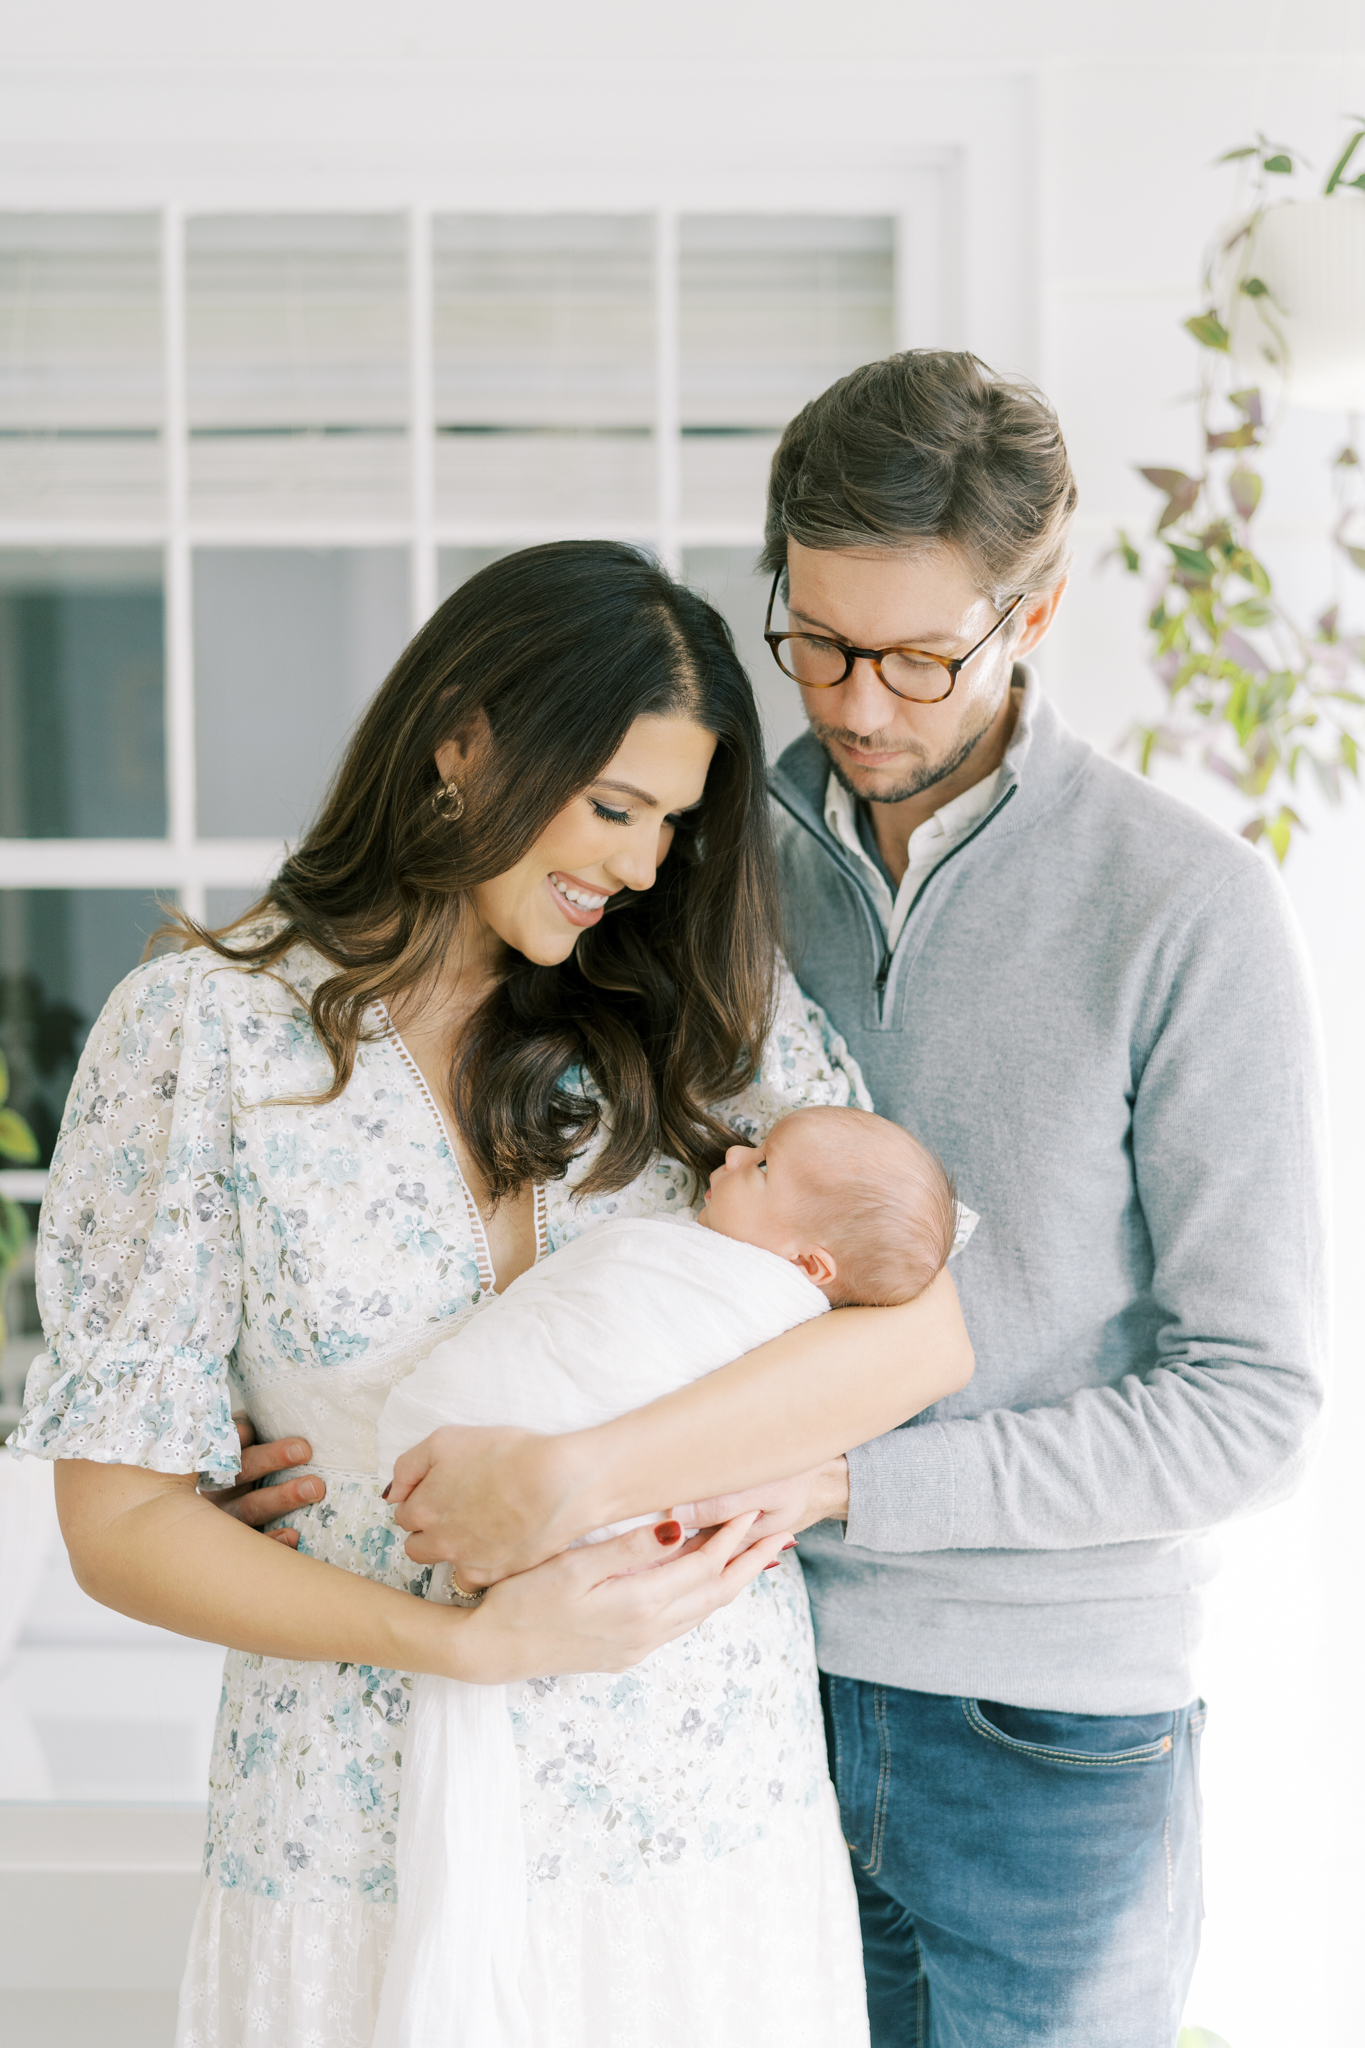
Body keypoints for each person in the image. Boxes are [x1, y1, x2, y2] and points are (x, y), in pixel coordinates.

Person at [369, 356, 1327, 2048]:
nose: (858, 702)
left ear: (1035, 612)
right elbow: (536, 1173)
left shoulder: (1187, 906)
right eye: (814, 639)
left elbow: (1251, 1406)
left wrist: (842, 1479)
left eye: (918, 657)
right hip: (716, 1685)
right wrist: (343, 1430)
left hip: (1044, 1727)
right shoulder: (704, 854)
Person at [9, 540, 972, 2048]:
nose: (645, 867)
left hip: (699, 1811)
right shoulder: (200, 1038)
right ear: (461, 741)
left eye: (672, 823)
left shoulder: (706, 1015)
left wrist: (576, 1477)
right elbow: (117, 1526)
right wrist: (468, 1641)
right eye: (612, 808)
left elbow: (920, 1330)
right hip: (352, 1823)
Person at [370, 1104, 961, 2048]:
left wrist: (573, 1474)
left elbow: (929, 1346)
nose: (731, 1153)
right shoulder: (727, 1248)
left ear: (809, 1270)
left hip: (696, 1783)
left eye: (760, 1166)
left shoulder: (754, 1295)